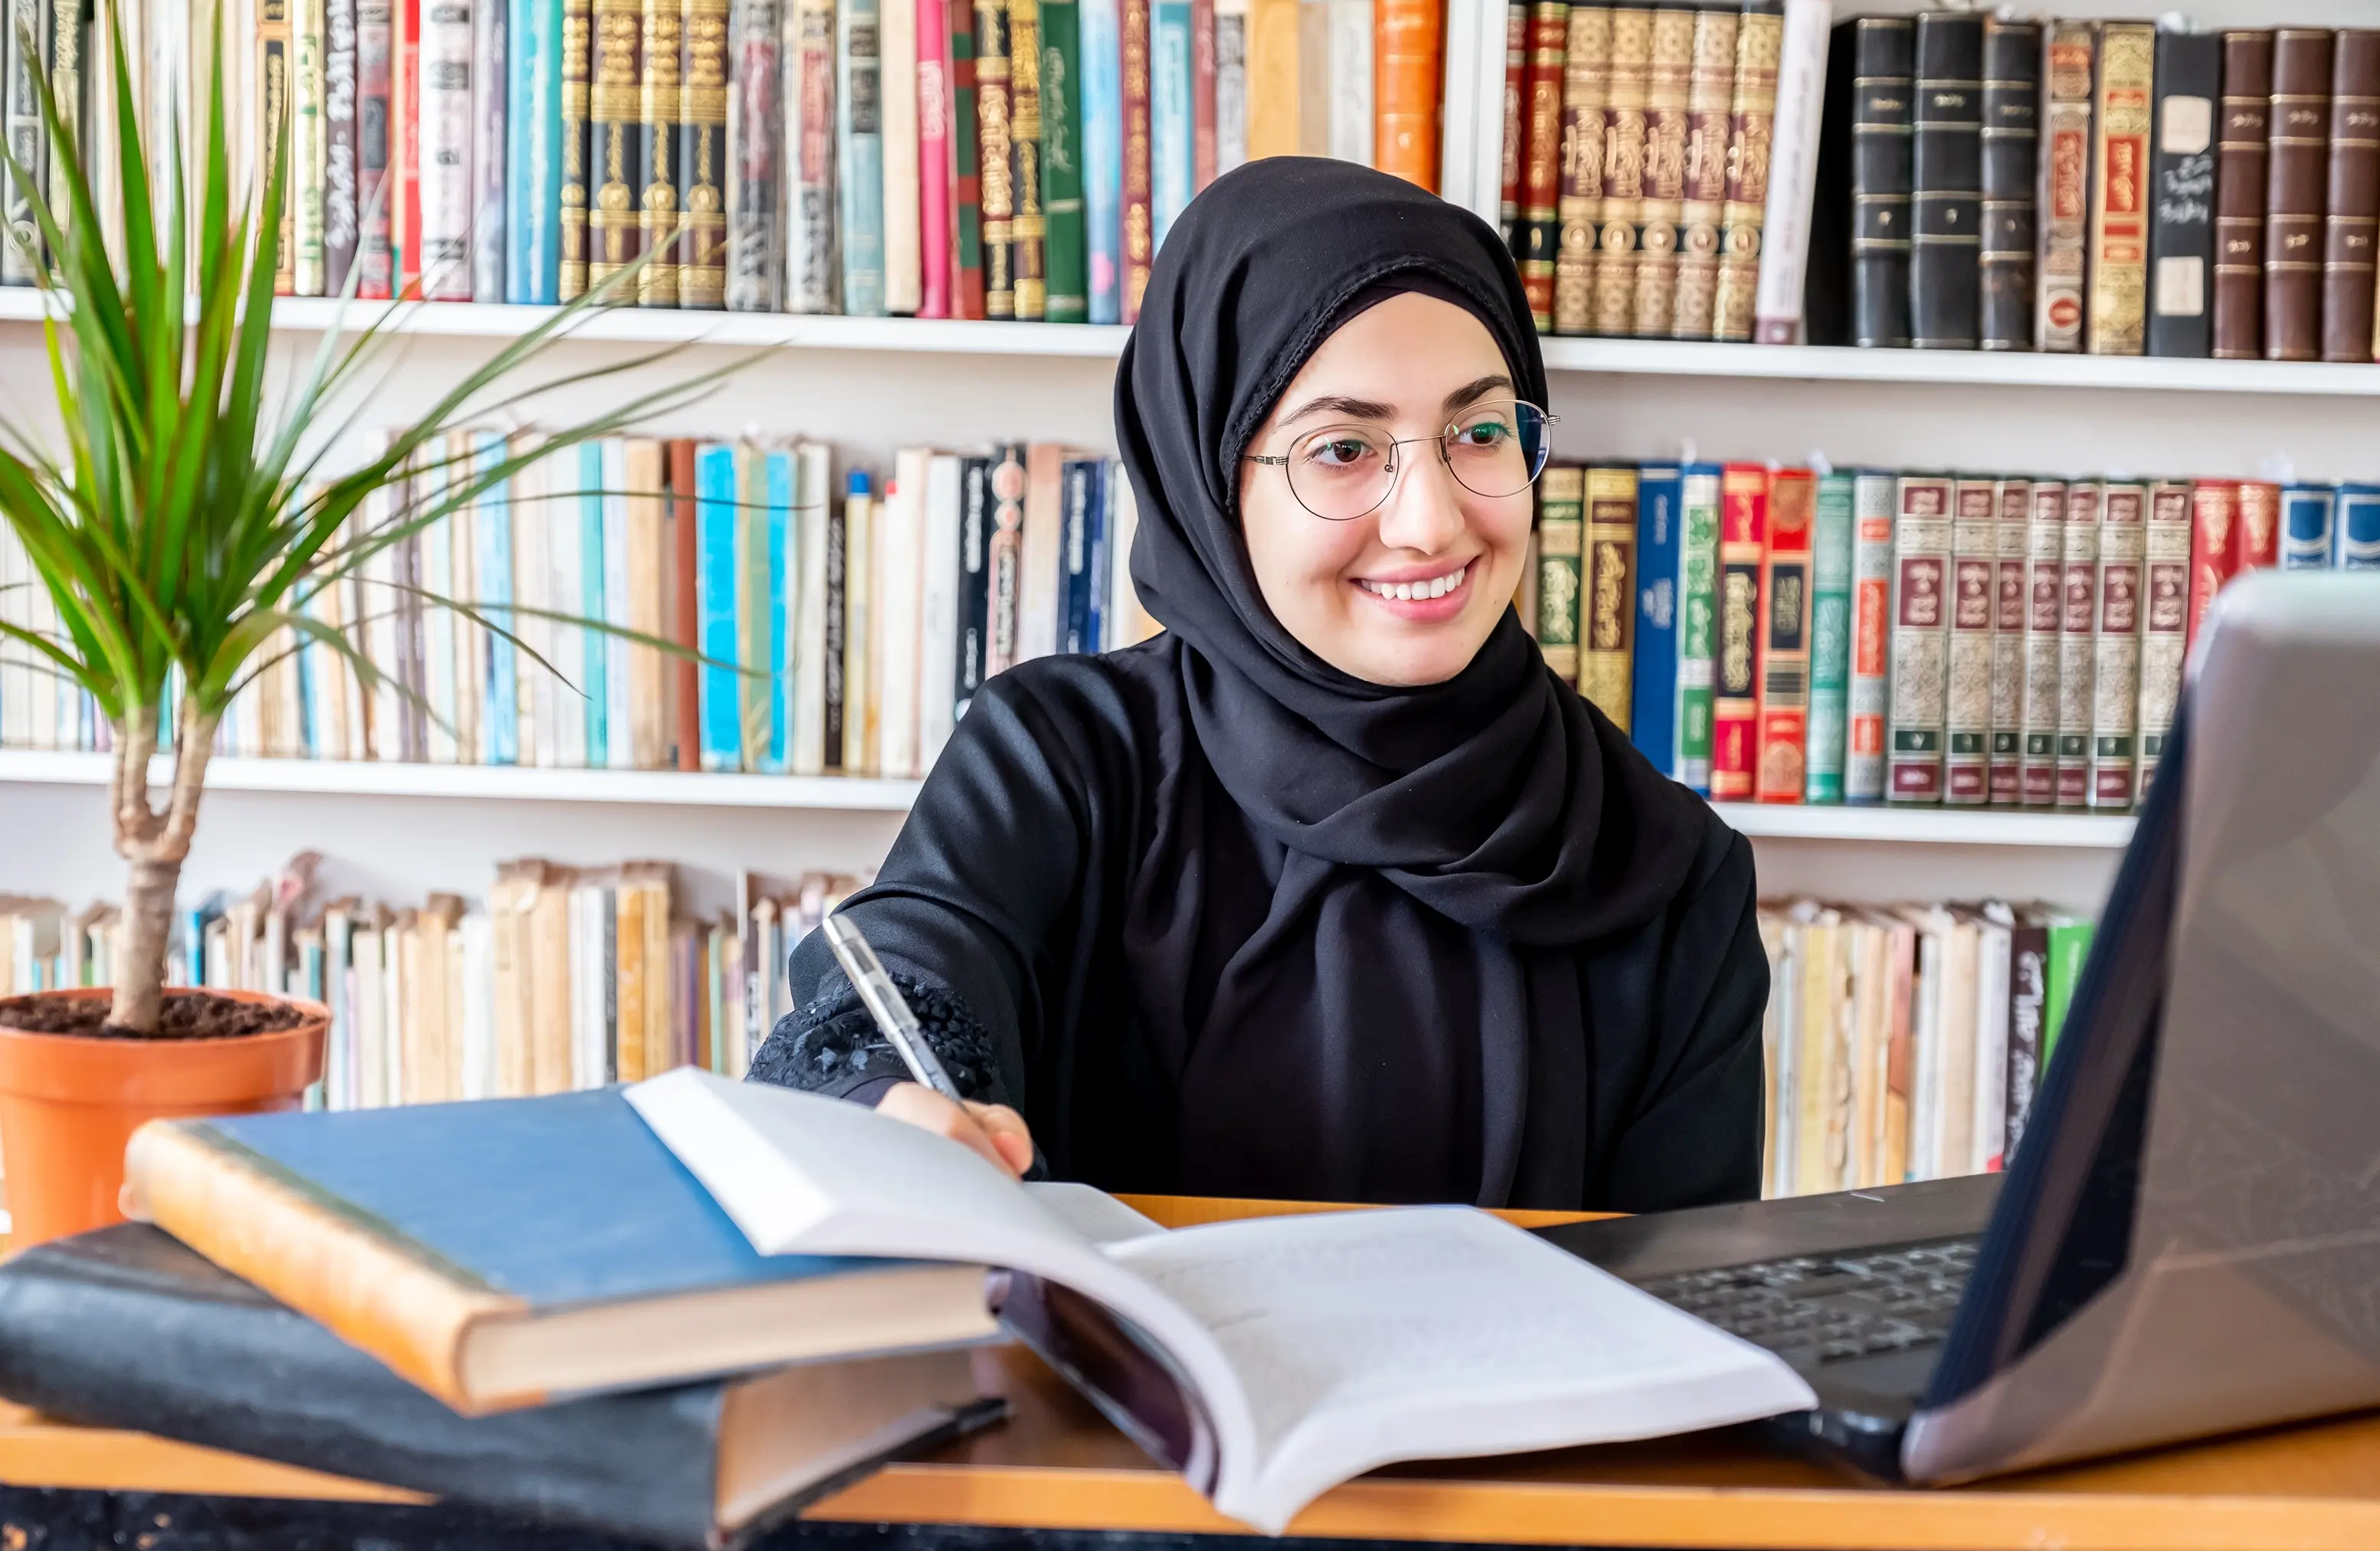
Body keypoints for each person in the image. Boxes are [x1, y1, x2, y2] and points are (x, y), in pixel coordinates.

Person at [748, 157, 1766, 1210]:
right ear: (1209, 480)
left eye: (1479, 431)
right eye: (1341, 448)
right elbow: (919, 957)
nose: (1430, 520)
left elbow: (1686, 1300)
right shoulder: (1063, 755)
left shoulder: (1666, 867)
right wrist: (890, 1094)